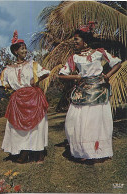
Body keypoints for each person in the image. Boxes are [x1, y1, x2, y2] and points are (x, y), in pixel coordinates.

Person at [58, 22, 121, 162]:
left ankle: (98, 152)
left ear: (85, 41)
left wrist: (107, 75)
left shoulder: (100, 52)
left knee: (96, 122)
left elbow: (117, 63)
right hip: (82, 92)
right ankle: (83, 151)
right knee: (77, 121)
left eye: (76, 39)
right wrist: (76, 76)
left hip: (98, 91)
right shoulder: (74, 58)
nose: (74, 42)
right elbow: (61, 75)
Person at [0, 30, 50, 164]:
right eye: (22, 49)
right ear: (15, 51)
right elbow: (2, 83)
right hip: (18, 100)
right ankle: (23, 151)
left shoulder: (32, 65)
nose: (25, 51)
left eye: (26, 48)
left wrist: (35, 80)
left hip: (33, 98)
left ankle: (39, 153)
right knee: (17, 128)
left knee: (37, 125)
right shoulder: (8, 69)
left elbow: (45, 72)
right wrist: (13, 87)